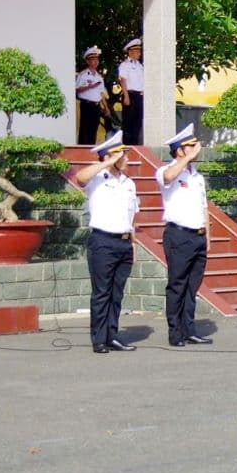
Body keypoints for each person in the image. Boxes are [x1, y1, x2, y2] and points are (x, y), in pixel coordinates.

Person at [72, 131, 140, 353]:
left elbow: (132, 217)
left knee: (117, 293)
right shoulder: (97, 179)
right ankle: (99, 339)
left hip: (123, 242)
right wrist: (106, 162)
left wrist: (133, 243)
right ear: (110, 156)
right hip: (102, 241)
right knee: (102, 292)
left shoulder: (129, 183)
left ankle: (112, 335)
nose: (127, 159)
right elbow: (79, 178)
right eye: (123, 155)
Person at [157, 124, 213, 347]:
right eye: (189, 146)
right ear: (179, 150)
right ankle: (175, 332)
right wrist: (186, 157)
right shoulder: (166, 170)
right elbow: (169, 176)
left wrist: (207, 235)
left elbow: (204, 207)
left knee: (192, 287)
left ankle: (189, 329)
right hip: (178, 236)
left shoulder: (196, 176)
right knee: (177, 285)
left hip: (197, 236)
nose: (195, 150)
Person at [74, 46, 107, 146]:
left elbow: (101, 93)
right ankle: (82, 153)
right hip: (86, 105)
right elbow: (76, 88)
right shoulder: (83, 74)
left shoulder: (99, 76)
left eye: (97, 59)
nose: (96, 61)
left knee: (94, 130)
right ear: (88, 61)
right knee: (85, 131)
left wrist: (105, 107)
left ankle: (91, 151)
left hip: (96, 106)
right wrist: (88, 87)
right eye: (93, 59)